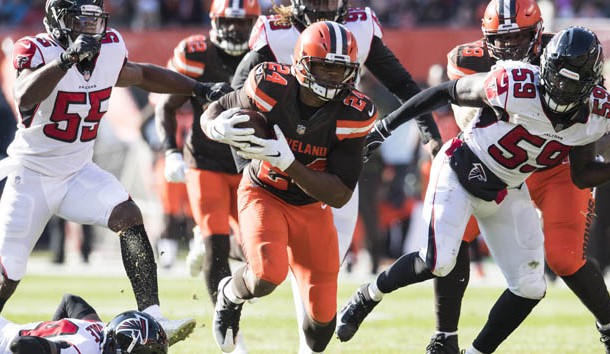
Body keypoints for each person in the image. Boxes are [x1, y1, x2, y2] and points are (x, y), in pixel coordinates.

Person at [336, 26, 610, 354]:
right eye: (556, 76)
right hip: (458, 170)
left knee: (530, 286)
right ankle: (367, 296)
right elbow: (444, 92)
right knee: (438, 261)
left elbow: (581, 175)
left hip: (507, 189)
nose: (561, 87)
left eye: (572, 81)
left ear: (591, 83)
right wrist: (385, 126)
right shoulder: (515, 85)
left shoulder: (595, 114)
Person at [0, 0, 229, 344]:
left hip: (77, 171)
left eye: (94, 20)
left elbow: (142, 74)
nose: (89, 28)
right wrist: (67, 59)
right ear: (58, 19)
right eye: (80, 20)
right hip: (30, 175)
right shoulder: (35, 49)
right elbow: (24, 95)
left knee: (128, 215)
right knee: (8, 275)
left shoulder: (108, 48)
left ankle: (153, 317)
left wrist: (197, 89)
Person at [231, 1, 442, 349]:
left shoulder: (359, 28)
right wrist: (245, 162)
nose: (323, 6)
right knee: (271, 269)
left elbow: (403, 84)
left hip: (331, 164)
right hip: (275, 165)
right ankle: (235, 297)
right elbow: (237, 97)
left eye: (330, 0)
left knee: (321, 274)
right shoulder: (277, 31)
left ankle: (306, 344)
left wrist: (431, 135)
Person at [419, 1, 610, 352]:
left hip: (558, 166)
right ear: (485, 35)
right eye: (500, 39)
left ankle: (609, 324)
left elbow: (592, 120)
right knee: (455, 235)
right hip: (504, 166)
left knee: (564, 258)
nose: (510, 48)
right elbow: (459, 116)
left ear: (539, 32)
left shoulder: (568, 53)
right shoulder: (469, 60)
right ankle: (445, 335)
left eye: (520, 37)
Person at [201, 21, 376, 354]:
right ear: (302, 62)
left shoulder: (354, 112)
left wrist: (290, 164)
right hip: (263, 192)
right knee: (267, 274)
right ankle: (229, 294)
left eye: (341, 70)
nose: (332, 78)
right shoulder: (271, 84)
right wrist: (215, 127)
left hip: (312, 208)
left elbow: (340, 194)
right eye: (324, 67)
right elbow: (218, 107)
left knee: (320, 330)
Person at [2, 293, 167, 354]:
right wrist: (51, 346)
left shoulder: (101, 329)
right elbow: (21, 345)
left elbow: (71, 301)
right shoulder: (82, 348)